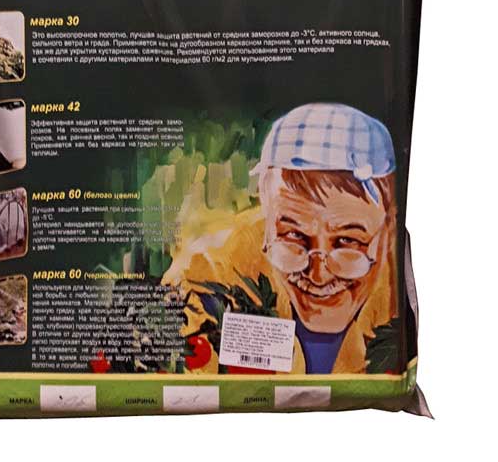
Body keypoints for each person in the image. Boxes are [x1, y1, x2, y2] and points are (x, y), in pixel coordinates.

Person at [165, 102, 398, 374]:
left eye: (348, 242)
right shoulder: (213, 266)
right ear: (266, 218)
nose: (318, 276)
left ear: (389, 227)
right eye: (294, 237)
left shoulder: (396, 294)